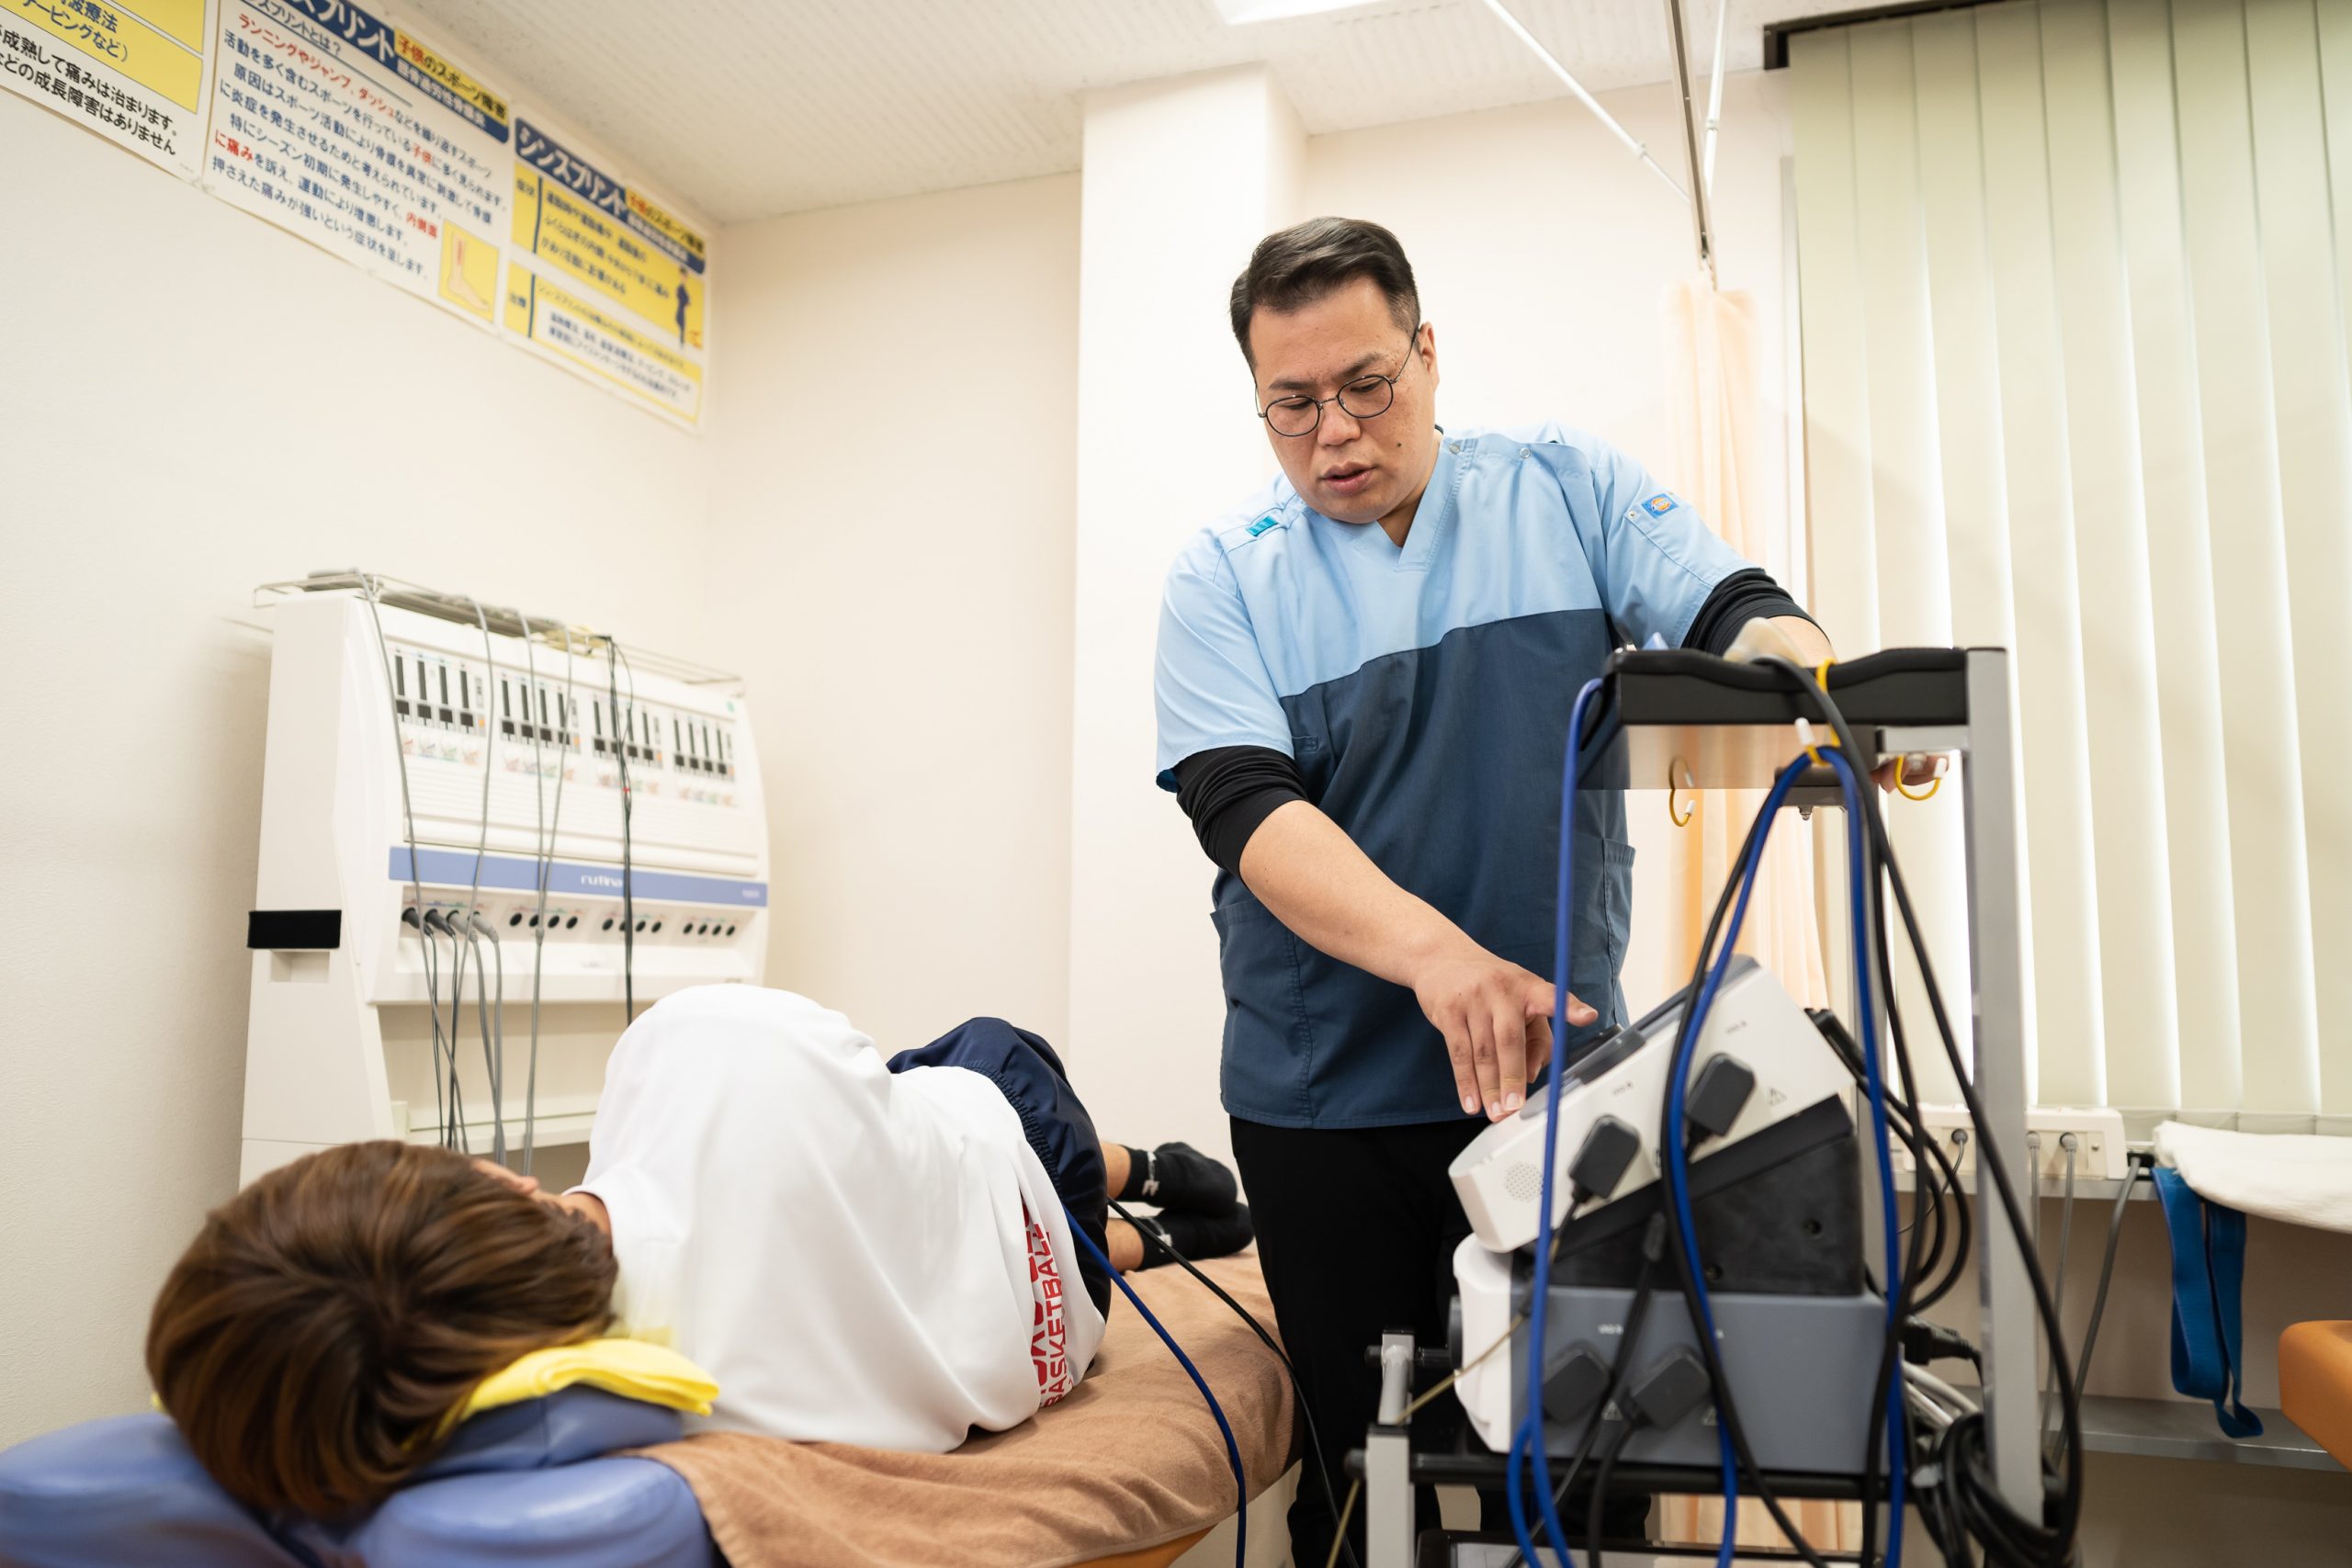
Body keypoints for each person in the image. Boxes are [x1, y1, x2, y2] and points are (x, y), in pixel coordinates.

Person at [1153, 216, 1923, 1562]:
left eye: (1367, 383)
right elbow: (1248, 817)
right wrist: (1441, 958)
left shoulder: (1560, 489)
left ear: (1428, 355)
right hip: (1324, 1102)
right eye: (1293, 403)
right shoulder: (1227, 574)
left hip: (1561, 1090)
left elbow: (1730, 602)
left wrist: (1801, 665)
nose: (1334, 430)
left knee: (1583, 1465)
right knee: (1366, 1482)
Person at [144, 986, 1251, 1519]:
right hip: (1018, 1173)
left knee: (923, 1213)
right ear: (496, 1183)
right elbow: (878, 1091)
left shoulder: (662, 1419)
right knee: (958, 1063)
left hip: (1056, 1336)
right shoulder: (695, 1045)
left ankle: (1135, 1241)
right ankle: (1139, 1171)